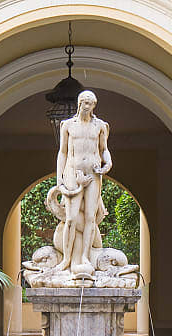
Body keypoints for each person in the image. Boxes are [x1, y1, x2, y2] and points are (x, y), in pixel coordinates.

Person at [55, 90, 111, 276]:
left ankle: (86, 257)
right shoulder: (68, 125)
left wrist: (108, 162)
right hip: (73, 171)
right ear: (79, 103)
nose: (88, 106)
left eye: (91, 104)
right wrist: (59, 180)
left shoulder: (100, 126)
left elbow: (104, 149)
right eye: (85, 103)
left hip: (94, 173)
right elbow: (62, 152)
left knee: (90, 218)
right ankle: (66, 259)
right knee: (70, 218)